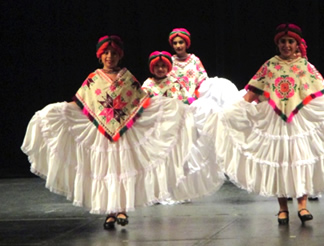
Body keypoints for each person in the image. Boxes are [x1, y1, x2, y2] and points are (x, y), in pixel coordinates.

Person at [21, 35, 207, 230]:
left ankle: (122, 209)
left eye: (114, 53)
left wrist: (169, 108)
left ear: (120, 56)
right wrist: (59, 110)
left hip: (124, 135)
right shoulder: (94, 79)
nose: (110, 57)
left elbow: (143, 101)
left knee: (122, 172)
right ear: (100, 56)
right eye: (106, 53)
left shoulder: (127, 78)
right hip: (102, 135)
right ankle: (109, 212)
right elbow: (81, 103)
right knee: (106, 171)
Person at [201, 23, 324, 224]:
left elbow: (321, 94)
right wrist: (232, 110)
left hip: (298, 122)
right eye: (282, 42)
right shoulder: (270, 66)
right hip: (275, 121)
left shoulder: (305, 67)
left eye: (290, 41)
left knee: (300, 161)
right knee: (280, 163)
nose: (286, 45)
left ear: (297, 44)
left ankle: (302, 206)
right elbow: (252, 93)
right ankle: (283, 208)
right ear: (278, 44)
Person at [142, 50, 226, 205]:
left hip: (173, 127)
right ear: (151, 68)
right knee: (157, 161)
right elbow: (143, 106)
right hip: (156, 129)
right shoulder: (147, 85)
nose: (160, 69)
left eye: (163, 66)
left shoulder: (174, 83)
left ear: (168, 67)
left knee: (175, 160)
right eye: (157, 66)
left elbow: (183, 101)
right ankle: (155, 192)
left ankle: (173, 190)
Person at [168, 28, 241, 133]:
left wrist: (196, 98)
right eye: (175, 43)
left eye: (181, 42)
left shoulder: (194, 60)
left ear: (186, 43)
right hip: (176, 101)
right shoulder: (170, 62)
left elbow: (203, 81)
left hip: (194, 101)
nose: (178, 46)